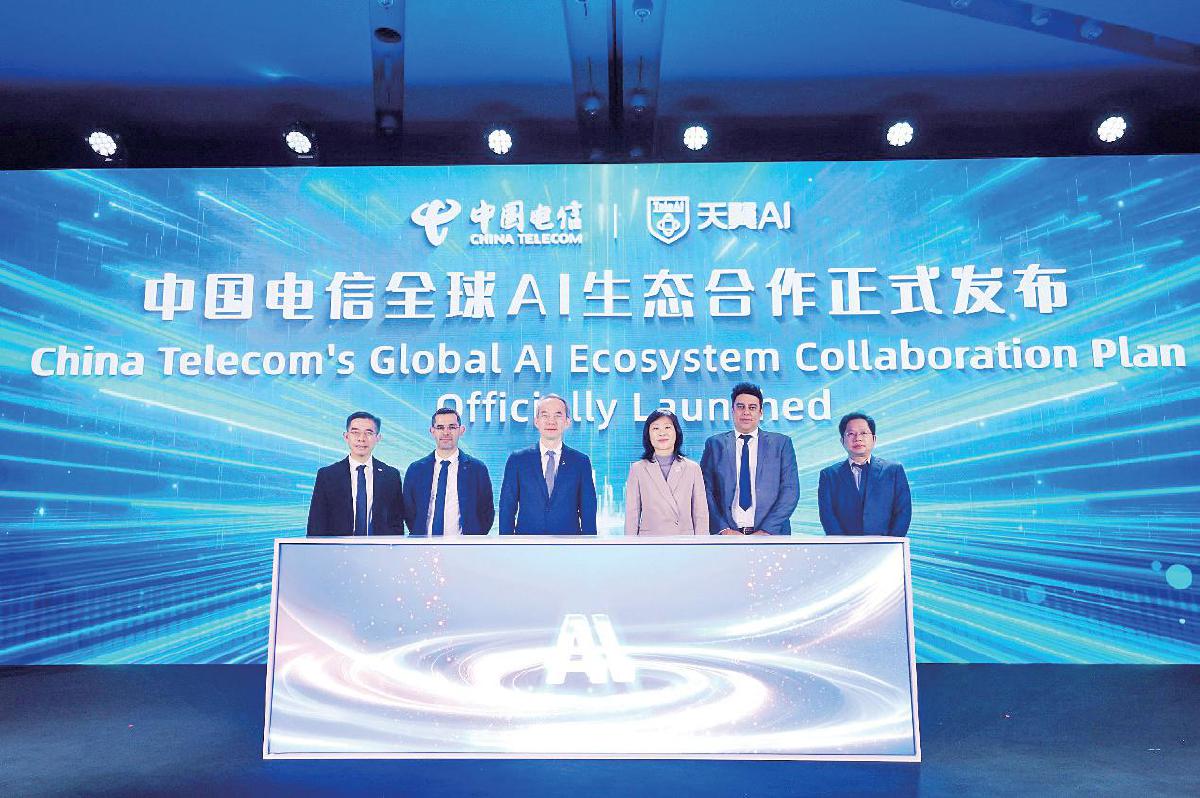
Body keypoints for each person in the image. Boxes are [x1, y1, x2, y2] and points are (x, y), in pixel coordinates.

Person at [700, 382, 799, 535]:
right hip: (727, 537)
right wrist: (723, 529)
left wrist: (766, 531)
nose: (746, 412)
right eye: (740, 407)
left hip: (771, 536)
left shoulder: (781, 444)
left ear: (760, 412)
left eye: (752, 408)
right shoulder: (714, 444)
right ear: (732, 411)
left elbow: (790, 491)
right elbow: (705, 491)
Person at [498, 393, 597, 535]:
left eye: (558, 415)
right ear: (536, 421)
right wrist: (506, 544)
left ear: (567, 422)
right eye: (545, 415)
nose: (551, 421)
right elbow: (507, 508)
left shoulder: (580, 462)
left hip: (568, 544)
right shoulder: (517, 460)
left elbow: (588, 510)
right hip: (527, 543)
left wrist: (589, 544)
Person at [307, 411, 405, 536]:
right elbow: (316, 523)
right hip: (337, 547)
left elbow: (396, 522)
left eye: (369, 433)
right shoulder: (327, 475)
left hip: (378, 547)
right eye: (355, 432)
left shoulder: (390, 476)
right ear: (346, 436)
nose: (361, 439)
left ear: (378, 438)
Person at [403, 407, 495, 536]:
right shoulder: (416, 470)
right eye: (440, 427)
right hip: (424, 544)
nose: (446, 432)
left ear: (461, 430)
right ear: (432, 431)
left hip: (463, 545)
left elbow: (486, 512)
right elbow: (409, 511)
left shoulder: (477, 469)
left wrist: (472, 540)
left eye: (452, 427)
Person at [818, 411, 911, 536]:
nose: (858, 438)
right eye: (851, 434)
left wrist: (890, 543)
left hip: (885, 545)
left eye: (863, 433)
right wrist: (842, 544)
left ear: (874, 439)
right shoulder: (829, 475)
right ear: (842, 440)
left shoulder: (893, 471)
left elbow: (903, 512)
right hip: (844, 546)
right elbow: (827, 515)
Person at [624, 409, 709, 536]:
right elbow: (632, 515)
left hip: (684, 542)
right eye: (655, 428)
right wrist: (630, 545)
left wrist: (701, 545)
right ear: (648, 435)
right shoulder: (638, 469)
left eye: (667, 427)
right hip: (649, 542)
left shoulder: (692, 468)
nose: (662, 433)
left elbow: (700, 514)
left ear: (676, 432)